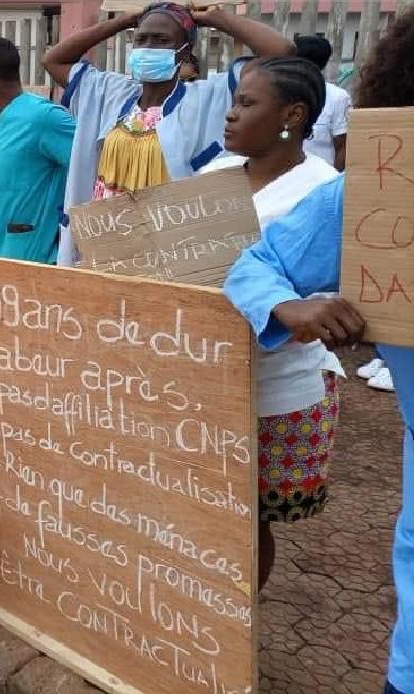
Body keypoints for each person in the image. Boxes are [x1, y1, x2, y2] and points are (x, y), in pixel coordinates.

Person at [221, 10, 414, 691]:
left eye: (247, 102)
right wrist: (289, 304)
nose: (232, 115)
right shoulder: (371, 199)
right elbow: (251, 266)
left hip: (287, 387)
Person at [202, 56, 342, 592]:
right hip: (198, 374)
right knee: (199, 503)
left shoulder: (323, 190)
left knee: (246, 516)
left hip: (275, 386)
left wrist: (289, 306)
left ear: (293, 114)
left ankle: (236, 628)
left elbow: (328, 301)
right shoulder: (211, 177)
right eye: (233, 101)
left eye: (246, 103)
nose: (230, 116)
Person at [43, 2, 293, 264]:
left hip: (171, 249)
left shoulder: (209, 98)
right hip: (105, 241)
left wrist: (214, 19)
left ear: (185, 52)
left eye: (161, 40)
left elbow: (282, 53)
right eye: (141, 39)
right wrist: (123, 22)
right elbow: (54, 59)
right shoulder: (110, 93)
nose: (148, 46)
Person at [0, 37, 76, 467]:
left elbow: (90, 168)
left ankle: (34, 444)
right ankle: (4, 438)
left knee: (33, 362)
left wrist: (60, 231)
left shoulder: (43, 118)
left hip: (31, 264)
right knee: (0, 361)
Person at [294, 35, 351, 171]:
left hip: (321, 181)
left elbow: (342, 146)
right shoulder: (281, 92)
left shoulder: (338, 97)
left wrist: (335, 182)